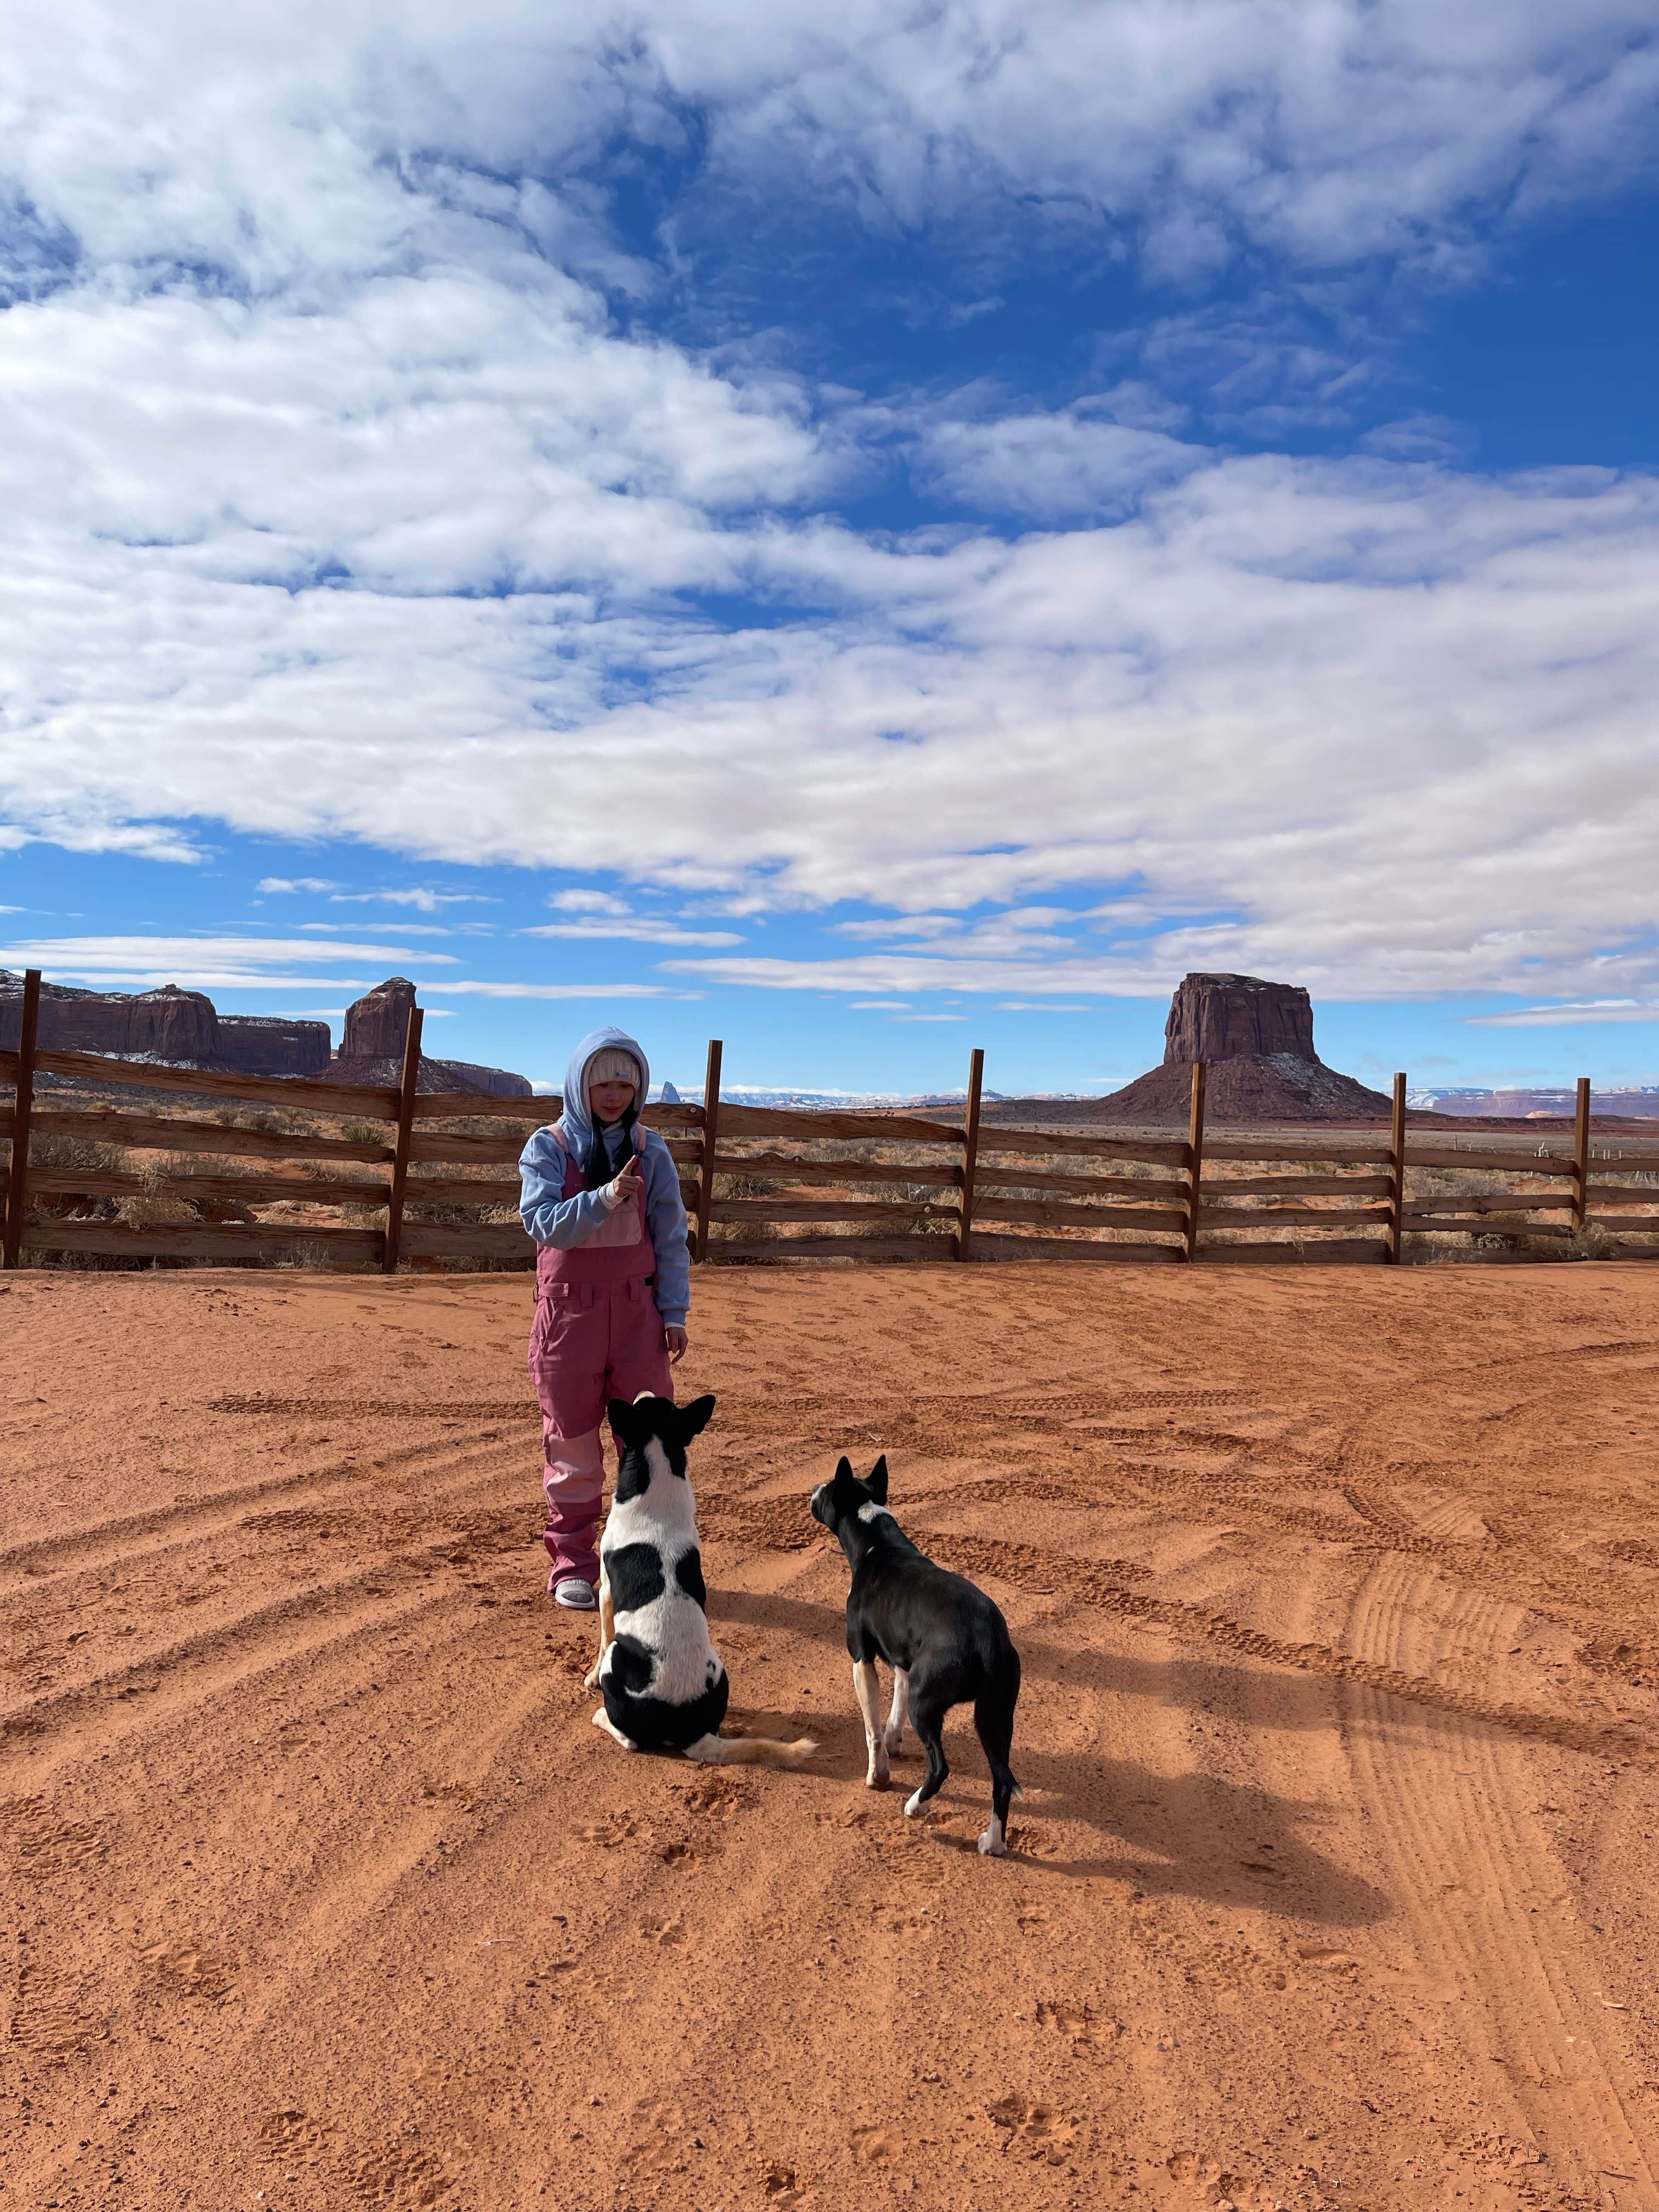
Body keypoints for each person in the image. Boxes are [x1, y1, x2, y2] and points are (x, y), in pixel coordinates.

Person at [518, 1026, 691, 1610]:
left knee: (645, 1444)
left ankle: (641, 1561)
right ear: (579, 1084)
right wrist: (606, 1196)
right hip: (569, 1319)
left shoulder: (652, 1149)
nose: (614, 1094)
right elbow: (545, 1224)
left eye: (626, 1082)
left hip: (640, 1316)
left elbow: (670, 1238)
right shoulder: (548, 1148)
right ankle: (573, 1560)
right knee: (570, 1443)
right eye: (602, 1083)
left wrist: (674, 1311)